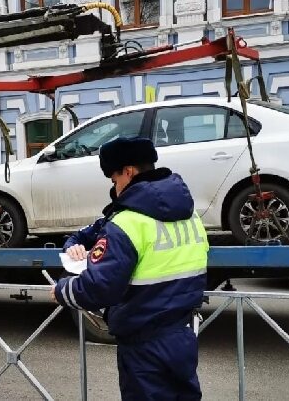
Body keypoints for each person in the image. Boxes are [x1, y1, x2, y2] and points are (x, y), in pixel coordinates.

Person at [52, 136, 208, 400]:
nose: (115, 189)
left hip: (144, 343)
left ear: (128, 171)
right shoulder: (189, 215)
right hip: (183, 335)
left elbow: (100, 288)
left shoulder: (129, 221)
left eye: (114, 180)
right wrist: (74, 242)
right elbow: (92, 232)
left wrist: (62, 290)